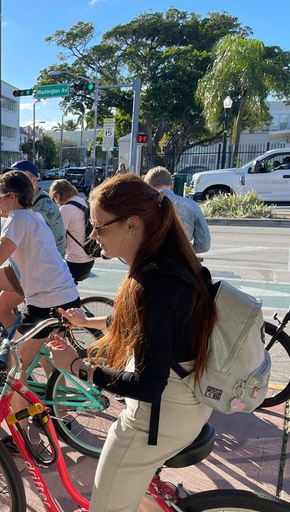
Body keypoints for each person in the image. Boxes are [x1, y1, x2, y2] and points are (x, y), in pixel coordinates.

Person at [47, 173, 216, 512]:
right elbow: (154, 327)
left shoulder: (151, 281)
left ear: (132, 224)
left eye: (100, 226)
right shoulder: (177, 265)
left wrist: (78, 368)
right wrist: (87, 321)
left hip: (156, 418)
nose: (94, 237)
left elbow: (147, 385)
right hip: (190, 403)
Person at [0, 170, 80, 452]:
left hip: (44, 302)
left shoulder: (19, 218)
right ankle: (64, 417)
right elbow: (4, 242)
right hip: (64, 296)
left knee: (12, 370)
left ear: (11, 196)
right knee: (51, 357)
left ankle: (20, 439)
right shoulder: (32, 217)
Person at [0, 160, 66, 332]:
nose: (14, 181)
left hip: (40, 277)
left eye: (20, 177)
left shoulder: (41, 208)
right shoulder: (29, 207)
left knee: (0, 308)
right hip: (37, 274)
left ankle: (13, 346)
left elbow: (30, 244)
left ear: (33, 181)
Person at [144, 166, 211, 253]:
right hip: (181, 259)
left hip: (150, 259)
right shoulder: (191, 206)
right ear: (172, 185)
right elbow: (204, 245)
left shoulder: (143, 207)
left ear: (147, 186)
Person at [49, 179, 94, 282]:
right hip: (89, 259)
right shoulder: (82, 202)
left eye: (54, 198)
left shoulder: (66, 209)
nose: (55, 202)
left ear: (58, 195)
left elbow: (56, 236)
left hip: (75, 262)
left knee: (47, 278)